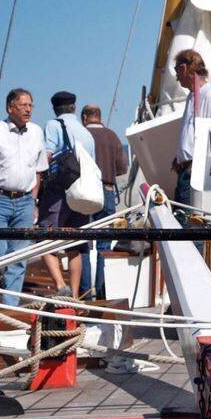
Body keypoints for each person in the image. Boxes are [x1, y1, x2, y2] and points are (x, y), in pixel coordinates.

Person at [0, 88, 46, 305]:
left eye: (30, 105)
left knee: (19, 257)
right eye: (23, 105)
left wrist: (33, 199)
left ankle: (9, 307)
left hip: (25, 201)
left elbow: (39, 170)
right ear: (10, 107)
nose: (28, 109)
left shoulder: (36, 132)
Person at [39, 91, 96, 296]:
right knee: (75, 245)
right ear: (74, 108)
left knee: (45, 239)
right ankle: (74, 295)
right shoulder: (86, 133)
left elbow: (46, 156)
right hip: (80, 194)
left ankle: (60, 286)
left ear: (55, 109)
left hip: (58, 192)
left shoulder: (54, 125)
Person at [80, 104, 128, 299]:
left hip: (84, 192)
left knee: (83, 243)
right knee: (104, 244)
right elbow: (122, 168)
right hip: (107, 190)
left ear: (85, 117)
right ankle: (101, 293)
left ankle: (83, 292)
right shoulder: (112, 136)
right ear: (99, 117)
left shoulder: (80, 135)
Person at [172, 49, 211, 209]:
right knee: (181, 217)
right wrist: (179, 157)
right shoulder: (191, 96)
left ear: (183, 68)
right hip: (185, 172)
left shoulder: (210, 96)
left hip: (194, 173)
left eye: (176, 70)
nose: (176, 76)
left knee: (186, 220)